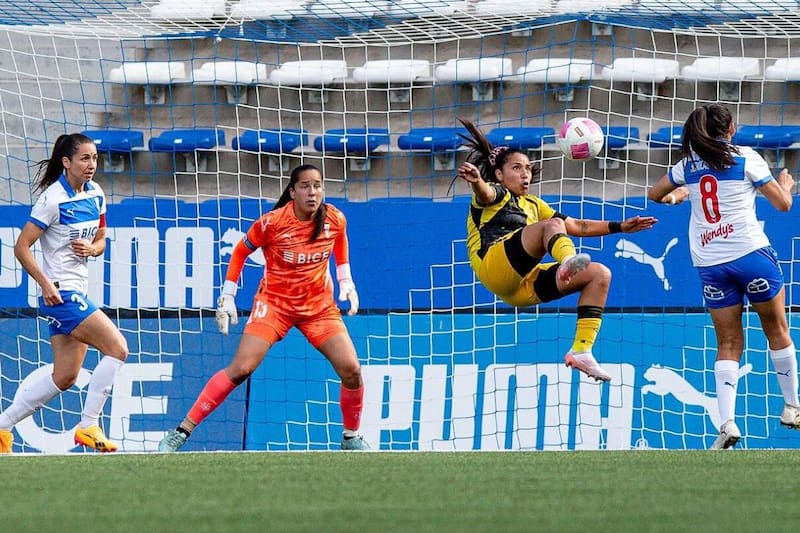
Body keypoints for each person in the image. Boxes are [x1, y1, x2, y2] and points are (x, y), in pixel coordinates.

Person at [158, 164, 369, 452]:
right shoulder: (272, 223)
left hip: (318, 308)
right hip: (275, 305)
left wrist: (346, 280)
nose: (313, 191)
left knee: (352, 369)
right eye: (305, 186)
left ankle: (351, 437)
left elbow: (340, 241)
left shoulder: (335, 218)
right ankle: (181, 431)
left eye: (317, 185)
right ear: (292, 192)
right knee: (242, 368)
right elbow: (241, 251)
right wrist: (227, 296)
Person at [456, 118, 657, 382]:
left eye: (528, 168)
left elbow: (576, 225)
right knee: (550, 225)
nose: (525, 173)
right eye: (516, 168)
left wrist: (620, 226)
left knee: (599, 274)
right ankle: (567, 261)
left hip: (520, 287)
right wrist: (476, 182)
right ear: (499, 175)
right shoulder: (496, 195)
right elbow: (485, 194)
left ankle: (582, 350)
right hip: (493, 267)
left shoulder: (533, 204)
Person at [648, 103, 799, 449]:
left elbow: (654, 195)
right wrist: (785, 183)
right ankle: (792, 407)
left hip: (711, 264)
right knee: (777, 330)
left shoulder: (687, 164)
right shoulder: (745, 157)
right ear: (731, 127)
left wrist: (680, 195)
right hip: (751, 255)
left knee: (728, 343)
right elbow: (783, 205)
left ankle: (727, 423)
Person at [0, 133, 128, 454]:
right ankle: (88, 425)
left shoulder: (96, 193)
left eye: (95, 158)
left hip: (77, 290)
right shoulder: (52, 199)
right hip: (62, 293)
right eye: (84, 159)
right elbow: (21, 247)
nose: (91, 165)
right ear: (66, 162)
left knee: (65, 376)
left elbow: (101, 239)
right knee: (118, 348)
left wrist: (93, 249)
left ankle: (2, 426)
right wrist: (45, 284)